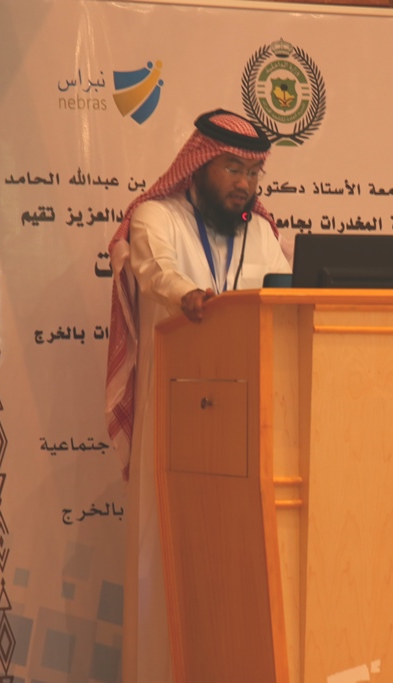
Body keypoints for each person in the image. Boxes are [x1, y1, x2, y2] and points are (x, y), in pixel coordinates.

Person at [104, 109, 291, 683]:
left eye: (254, 173)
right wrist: (189, 295)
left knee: (243, 562)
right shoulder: (156, 216)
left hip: (250, 424)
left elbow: (285, 300)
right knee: (168, 554)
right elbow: (155, 269)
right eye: (233, 168)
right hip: (175, 413)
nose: (245, 184)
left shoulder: (261, 233)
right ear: (200, 164)